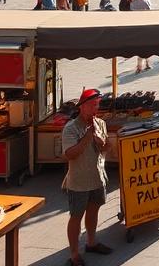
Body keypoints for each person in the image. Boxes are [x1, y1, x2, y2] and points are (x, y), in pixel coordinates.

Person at [62, 88, 114, 265]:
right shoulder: (71, 128)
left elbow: (107, 148)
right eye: (92, 105)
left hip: (97, 177)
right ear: (82, 107)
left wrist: (103, 143)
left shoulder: (100, 123)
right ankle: (74, 254)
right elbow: (70, 154)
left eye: (97, 105)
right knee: (76, 216)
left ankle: (91, 242)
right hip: (78, 182)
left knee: (94, 210)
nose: (95, 109)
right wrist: (87, 138)